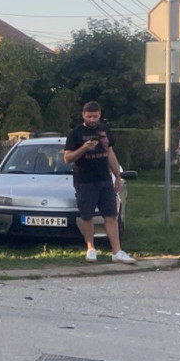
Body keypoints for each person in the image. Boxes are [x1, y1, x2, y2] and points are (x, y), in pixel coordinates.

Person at [63, 101, 135, 264]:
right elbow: (67, 158)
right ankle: (90, 248)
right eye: (89, 116)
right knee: (87, 216)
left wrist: (117, 175)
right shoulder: (75, 133)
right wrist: (84, 148)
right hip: (84, 181)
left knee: (111, 215)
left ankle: (117, 251)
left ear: (99, 115)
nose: (92, 119)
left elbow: (110, 152)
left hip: (105, 179)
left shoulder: (105, 130)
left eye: (95, 116)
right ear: (83, 115)